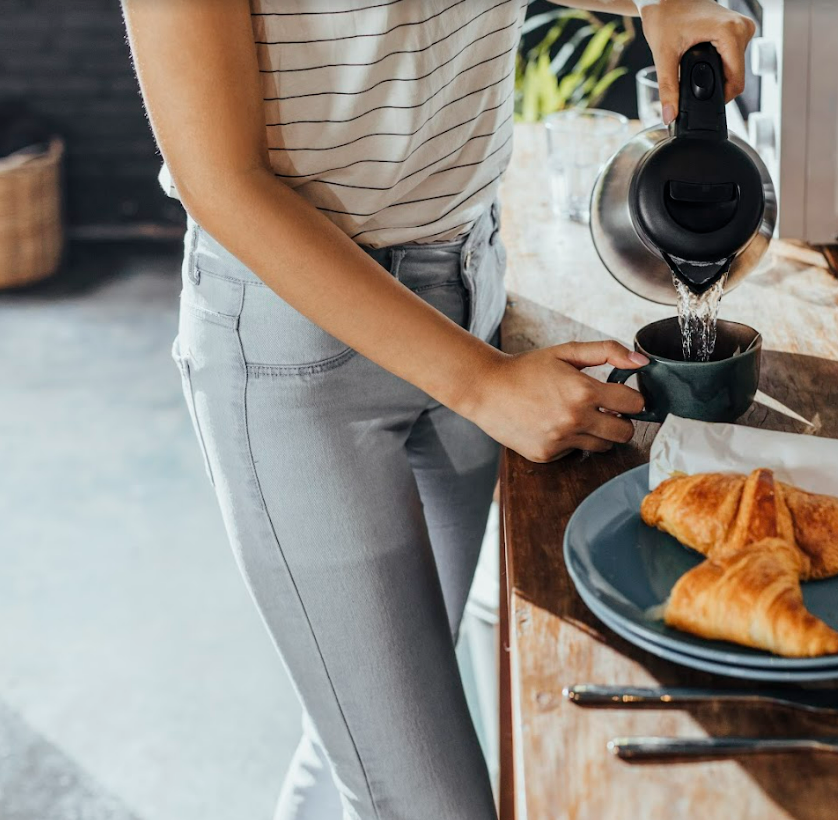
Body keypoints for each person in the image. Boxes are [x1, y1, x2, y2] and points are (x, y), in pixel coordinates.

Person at [121, 1, 755, 817]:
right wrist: (482, 384)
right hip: (298, 345)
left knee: (359, 729)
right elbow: (222, 181)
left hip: (466, 282)